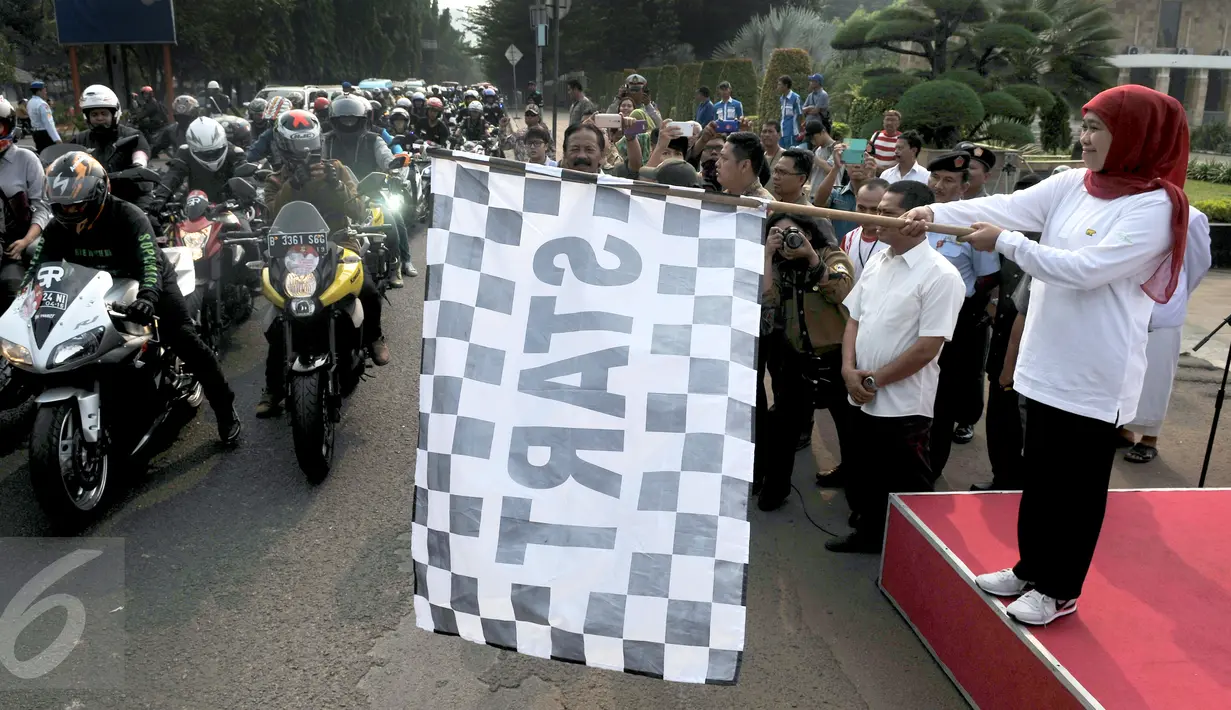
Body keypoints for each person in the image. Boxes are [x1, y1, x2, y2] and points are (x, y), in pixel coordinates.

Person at [902, 85, 1190, 625]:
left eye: (1097, 128)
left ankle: (1060, 588)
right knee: (1038, 475)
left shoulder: (1153, 206)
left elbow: (1084, 269)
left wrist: (1006, 243)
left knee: (1075, 487)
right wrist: (932, 207)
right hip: (1046, 362)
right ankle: (1030, 567)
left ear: (1134, 135)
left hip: (1094, 373)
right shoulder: (1072, 184)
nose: (1083, 138)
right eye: (1084, 125)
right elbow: (1005, 206)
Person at [33, 151, 241, 443]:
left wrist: (147, 298)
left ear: (97, 193)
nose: (69, 212)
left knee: (186, 340)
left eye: (77, 205)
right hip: (93, 290)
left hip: (149, 282)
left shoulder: (129, 216)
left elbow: (150, 261)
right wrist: (26, 302)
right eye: (62, 206)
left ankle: (224, 408)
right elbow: (39, 270)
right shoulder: (56, 229)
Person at [828, 180, 965, 553]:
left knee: (905, 480)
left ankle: (912, 553)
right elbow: (854, 318)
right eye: (875, 210)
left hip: (901, 404)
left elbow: (927, 348)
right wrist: (848, 369)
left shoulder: (941, 276)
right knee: (863, 472)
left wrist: (874, 379)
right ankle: (870, 533)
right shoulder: (878, 261)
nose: (873, 218)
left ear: (916, 220)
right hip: (860, 391)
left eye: (886, 213)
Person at [258, 110, 390, 416]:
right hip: (291, 253)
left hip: (339, 243)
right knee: (279, 317)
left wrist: (338, 185)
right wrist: (293, 185)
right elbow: (269, 216)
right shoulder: (275, 179)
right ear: (284, 147)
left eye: (310, 148)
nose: (306, 157)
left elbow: (359, 211)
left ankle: (372, 336)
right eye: (297, 150)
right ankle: (274, 387)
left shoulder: (338, 170)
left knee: (368, 289)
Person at [756, 213, 855, 511]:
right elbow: (768, 301)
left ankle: (855, 486)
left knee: (850, 427)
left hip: (835, 356)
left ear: (809, 234)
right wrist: (767, 255)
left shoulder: (832, 255)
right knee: (783, 426)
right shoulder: (777, 265)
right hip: (795, 357)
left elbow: (842, 291)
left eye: (792, 233)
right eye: (778, 233)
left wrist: (811, 257)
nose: (787, 240)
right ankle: (775, 488)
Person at [921, 152, 1000, 483]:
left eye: (949, 181)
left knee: (941, 402)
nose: (939, 186)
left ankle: (930, 469)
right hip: (914, 316)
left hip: (955, 323)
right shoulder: (917, 216)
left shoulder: (973, 227)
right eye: (935, 178)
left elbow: (987, 279)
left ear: (965, 187)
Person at [1118, 206, 1212, 463]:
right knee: (1125, 372)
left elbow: (1197, 264)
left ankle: (1149, 438)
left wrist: (1177, 294)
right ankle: (1124, 430)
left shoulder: (1191, 217)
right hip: (1127, 307)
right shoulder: (1134, 208)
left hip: (1163, 311)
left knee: (1156, 377)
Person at [974, 172, 1042, 492]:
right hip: (1003, 337)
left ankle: (1024, 483)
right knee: (999, 417)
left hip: (1033, 349)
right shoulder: (1004, 241)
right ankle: (1002, 478)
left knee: (1027, 423)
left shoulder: (1048, 249)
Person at [324, 95, 415, 282]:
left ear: (362, 120)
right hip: (336, 194)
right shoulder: (326, 141)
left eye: (352, 119)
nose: (348, 123)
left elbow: (387, 158)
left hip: (370, 192)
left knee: (392, 219)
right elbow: (317, 161)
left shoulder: (374, 140)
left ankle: (398, 263)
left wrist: (394, 170)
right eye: (343, 120)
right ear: (334, 121)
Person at [0, 96, 50, 311]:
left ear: (8, 127)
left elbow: (42, 207)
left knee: (12, 288)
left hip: (18, 244)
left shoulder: (26, 159)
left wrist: (25, 240)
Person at [68, 84, 153, 210]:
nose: (100, 118)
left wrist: (138, 165)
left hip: (131, 195)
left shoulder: (131, 135)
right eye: (95, 114)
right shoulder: (80, 139)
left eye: (104, 113)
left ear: (114, 114)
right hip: (92, 197)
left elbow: (140, 151)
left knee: (147, 221)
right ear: (88, 117)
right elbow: (65, 158)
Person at [153, 116, 251, 209]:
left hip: (233, 207)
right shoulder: (185, 152)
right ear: (192, 147)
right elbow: (173, 175)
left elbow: (247, 178)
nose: (210, 157)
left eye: (215, 151)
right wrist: (160, 198)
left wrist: (246, 197)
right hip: (194, 209)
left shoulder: (235, 153)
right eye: (204, 153)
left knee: (244, 226)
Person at [838, 179, 891, 282]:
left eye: (874, 209)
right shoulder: (849, 238)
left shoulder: (895, 243)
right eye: (861, 208)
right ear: (856, 201)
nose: (867, 215)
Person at [717, 131, 772, 200]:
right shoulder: (721, 199)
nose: (717, 163)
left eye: (724, 158)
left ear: (744, 165)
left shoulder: (765, 206)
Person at [152, 95, 200, 160]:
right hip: (180, 165)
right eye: (180, 117)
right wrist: (141, 159)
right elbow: (155, 148)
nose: (183, 121)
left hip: (203, 163)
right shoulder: (171, 130)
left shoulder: (204, 127)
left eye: (186, 118)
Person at [27, 81, 61, 153]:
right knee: (51, 155)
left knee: (41, 154)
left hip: (36, 133)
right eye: (44, 90)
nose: (46, 93)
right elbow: (48, 123)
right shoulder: (42, 104)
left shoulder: (30, 102)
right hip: (45, 134)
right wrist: (57, 138)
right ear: (39, 91)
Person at [775, 76, 803, 149]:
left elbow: (800, 114)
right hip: (782, 132)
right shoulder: (781, 98)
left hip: (792, 132)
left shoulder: (795, 97)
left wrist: (799, 131)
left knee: (791, 153)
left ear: (786, 85)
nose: (777, 87)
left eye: (779, 84)